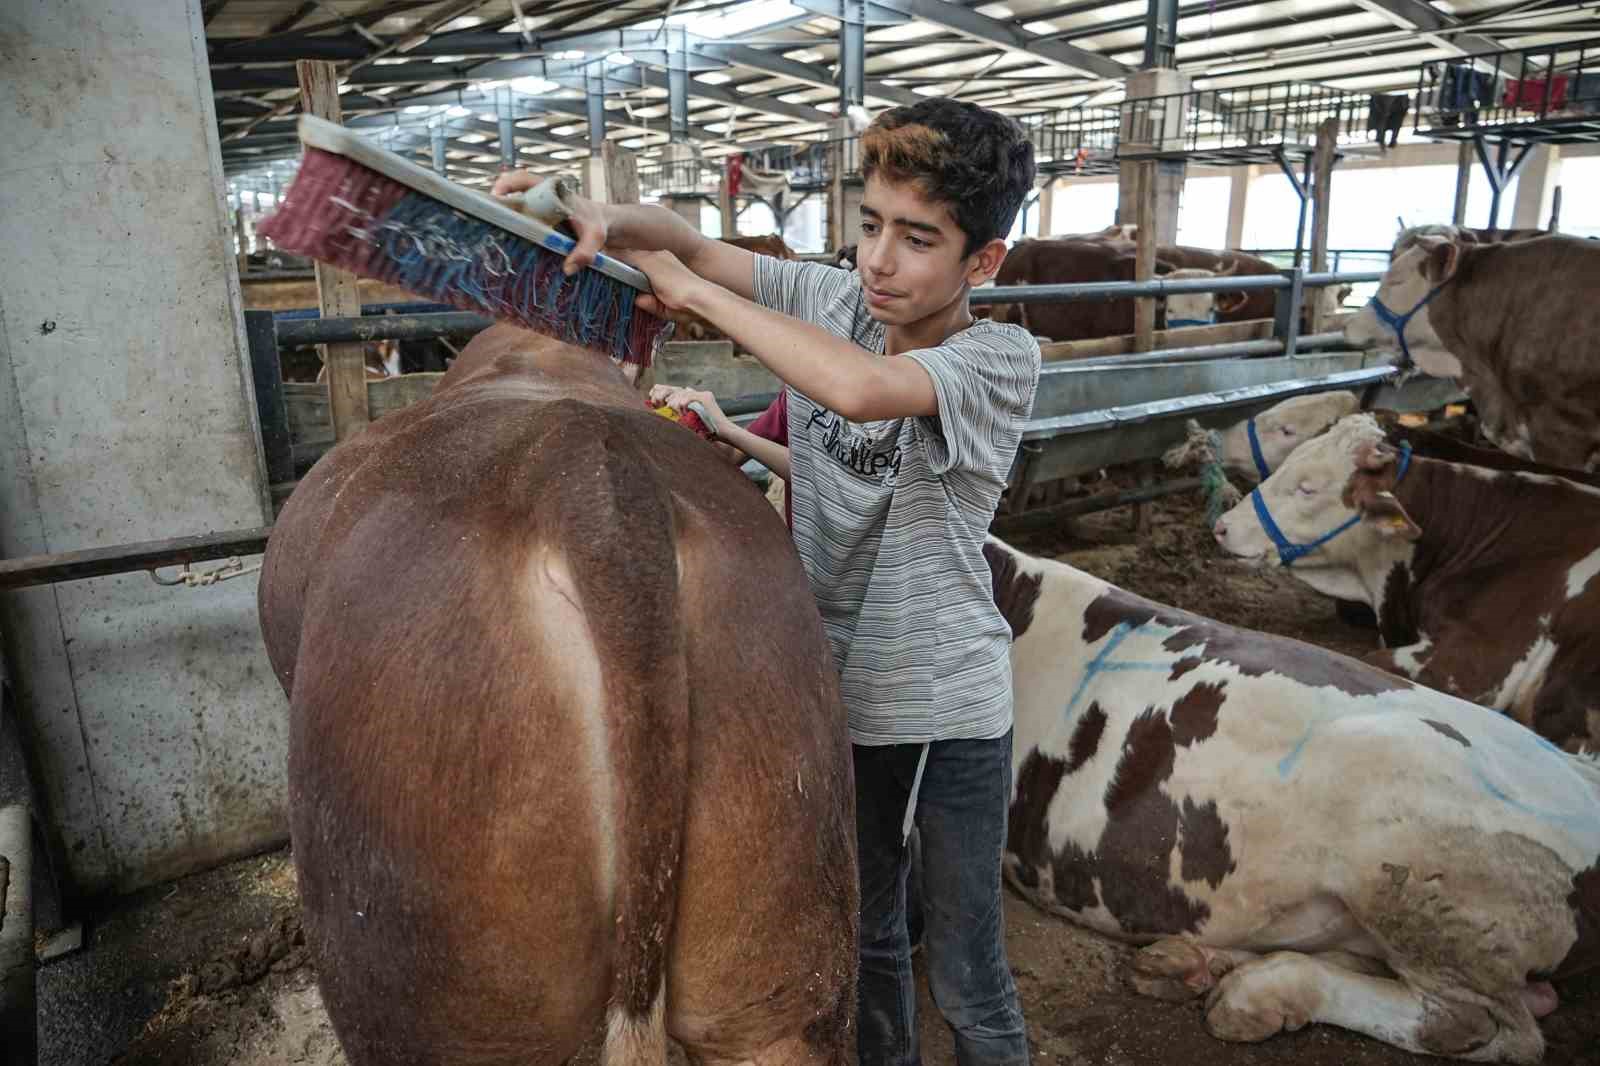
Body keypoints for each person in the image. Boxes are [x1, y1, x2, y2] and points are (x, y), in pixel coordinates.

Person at [495, 98, 1039, 1066]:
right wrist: (594, 214)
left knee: (964, 964)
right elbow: (693, 247)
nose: (878, 259)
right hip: (826, 686)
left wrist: (697, 299)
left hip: (940, 703)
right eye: (869, 224)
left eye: (918, 239)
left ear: (981, 261)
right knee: (865, 933)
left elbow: (860, 393)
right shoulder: (836, 302)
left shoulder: (994, 359)